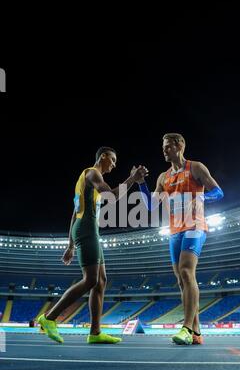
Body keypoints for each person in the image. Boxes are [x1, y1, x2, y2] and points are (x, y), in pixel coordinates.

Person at [37, 146, 148, 344]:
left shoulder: (86, 180)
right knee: (90, 280)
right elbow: (112, 197)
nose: (114, 165)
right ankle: (48, 318)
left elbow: (74, 213)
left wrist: (70, 245)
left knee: (101, 280)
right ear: (102, 156)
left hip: (87, 229)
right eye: (112, 160)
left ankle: (95, 333)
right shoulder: (92, 173)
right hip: (87, 229)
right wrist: (131, 178)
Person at [137, 133, 224, 345]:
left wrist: (201, 197)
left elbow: (218, 192)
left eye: (167, 146)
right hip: (174, 230)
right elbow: (150, 205)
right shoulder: (162, 177)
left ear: (179, 146)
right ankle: (196, 331)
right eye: (163, 146)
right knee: (180, 279)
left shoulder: (195, 167)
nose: (164, 150)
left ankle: (185, 328)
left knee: (186, 271)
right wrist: (141, 183)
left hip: (195, 225)